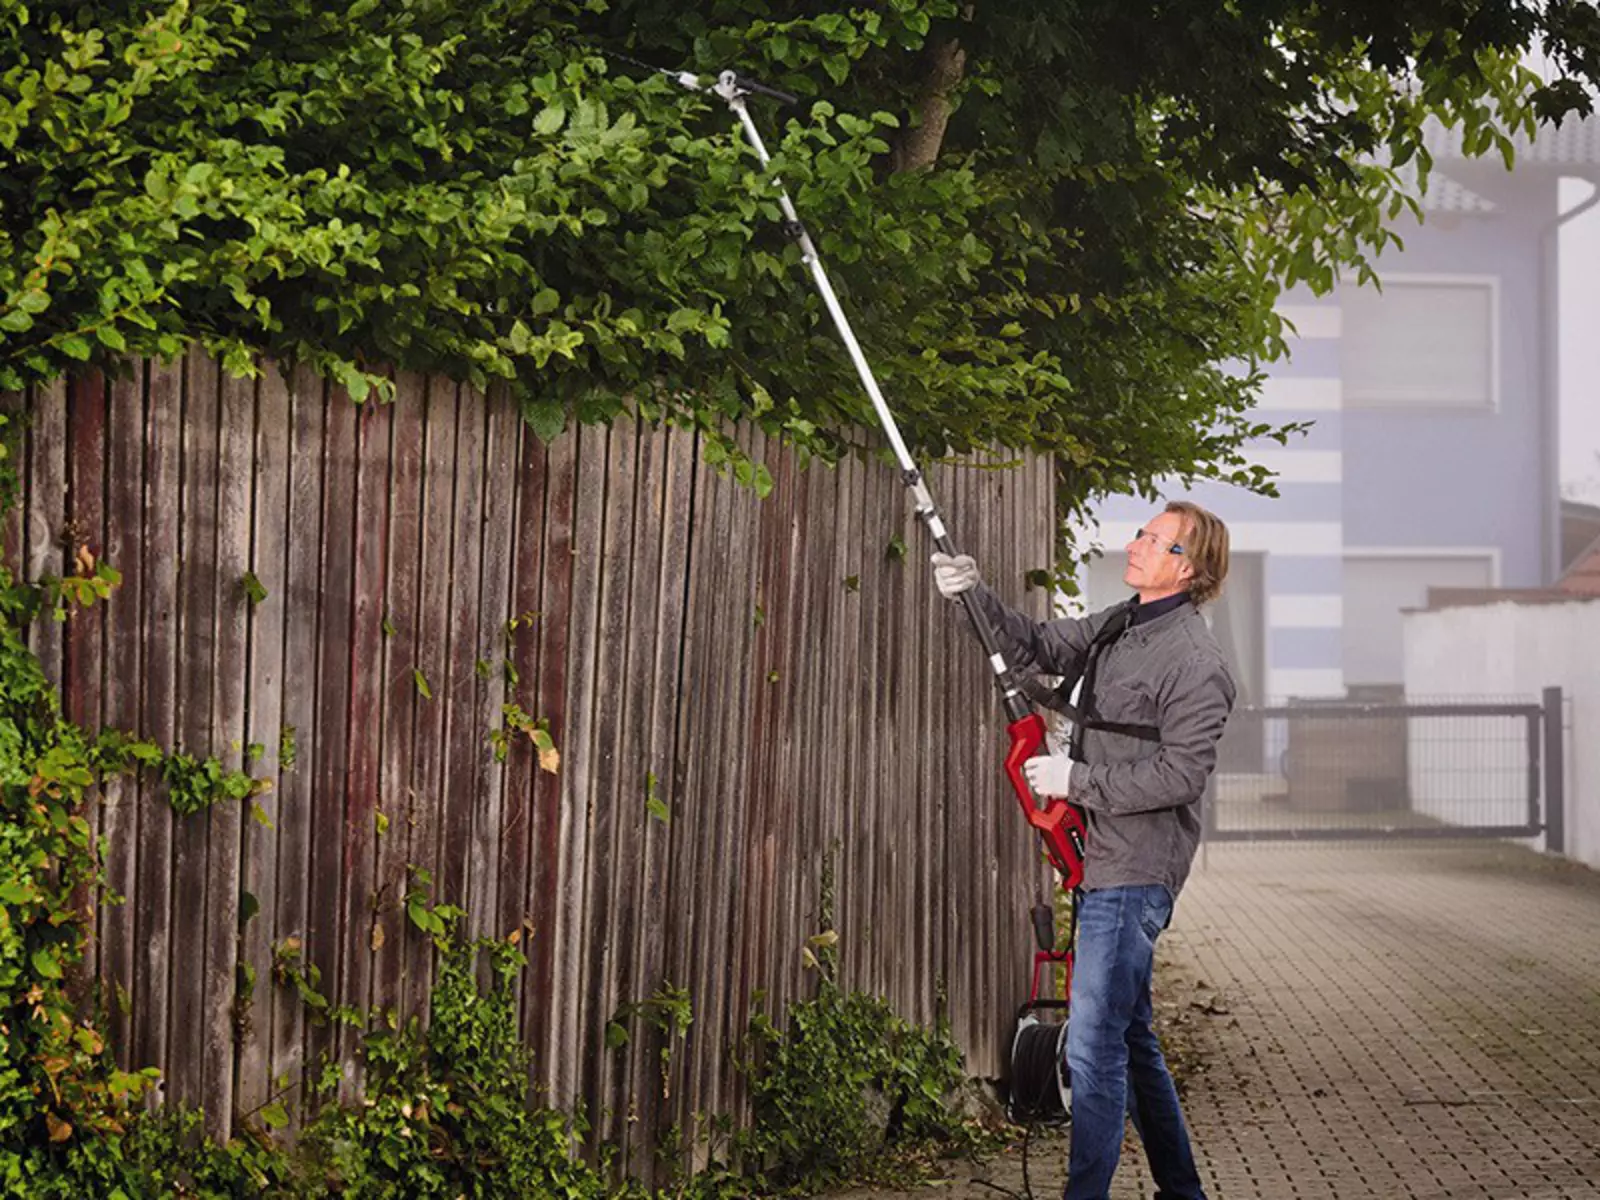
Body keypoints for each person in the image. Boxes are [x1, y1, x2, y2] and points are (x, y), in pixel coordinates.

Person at [931, 500, 1235, 1200]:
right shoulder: (1120, 623)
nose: (1136, 544)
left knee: (1095, 1044)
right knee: (1130, 1038)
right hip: (1101, 858)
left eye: (1155, 540)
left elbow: (1182, 775)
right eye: (1141, 533)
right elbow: (1036, 644)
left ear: (1187, 569)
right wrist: (970, 591)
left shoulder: (1195, 660)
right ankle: (1182, 1192)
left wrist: (1077, 778)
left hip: (1138, 868)